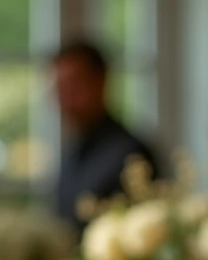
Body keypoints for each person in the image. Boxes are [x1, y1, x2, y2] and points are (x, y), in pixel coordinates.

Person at [52, 40, 156, 230]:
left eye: (74, 86)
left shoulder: (131, 154)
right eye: (60, 88)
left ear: (101, 82)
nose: (66, 99)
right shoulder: (70, 153)